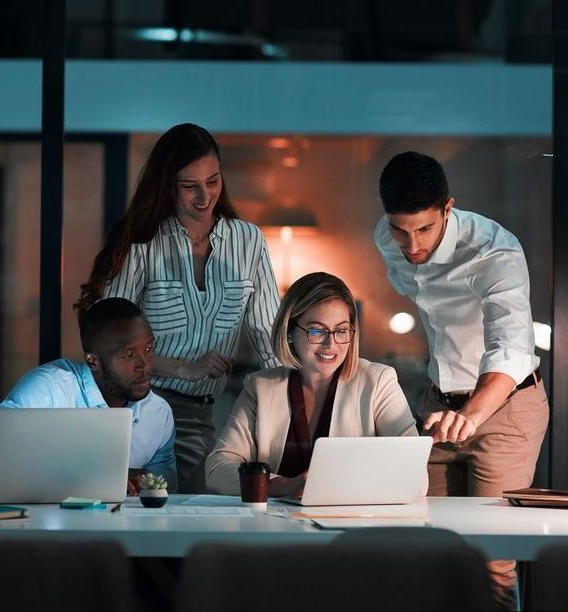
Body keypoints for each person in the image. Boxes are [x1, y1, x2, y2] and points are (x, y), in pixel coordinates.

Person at [374, 151, 549, 609]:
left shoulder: (496, 250)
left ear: (449, 208)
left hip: (506, 409)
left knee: (492, 558)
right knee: (431, 546)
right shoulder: (386, 238)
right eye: (400, 229)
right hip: (439, 405)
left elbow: (510, 347)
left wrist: (470, 413)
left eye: (425, 229)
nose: (411, 245)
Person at [75, 123, 280, 493]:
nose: (204, 198)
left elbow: (269, 337)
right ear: (167, 185)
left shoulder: (248, 240)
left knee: (196, 513)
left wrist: (294, 404)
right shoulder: (141, 242)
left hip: (199, 414)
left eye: (213, 182)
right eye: (190, 187)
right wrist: (184, 368)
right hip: (137, 406)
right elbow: (108, 341)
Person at [206, 272, 420, 496]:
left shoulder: (378, 382)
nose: (331, 344)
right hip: (277, 525)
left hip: (351, 522)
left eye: (341, 331)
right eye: (317, 331)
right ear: (289, 331)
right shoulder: (261, 386)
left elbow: (415, 476)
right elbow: (217, 468)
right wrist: (281, 486)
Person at [0, 297, 177, 494]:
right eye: (129, 355)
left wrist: (141, 484)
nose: (144, 365)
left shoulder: (158, 414)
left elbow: (164, 492)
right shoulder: (47, 390)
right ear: (93, 361)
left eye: (148, 348)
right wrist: (103, 479)